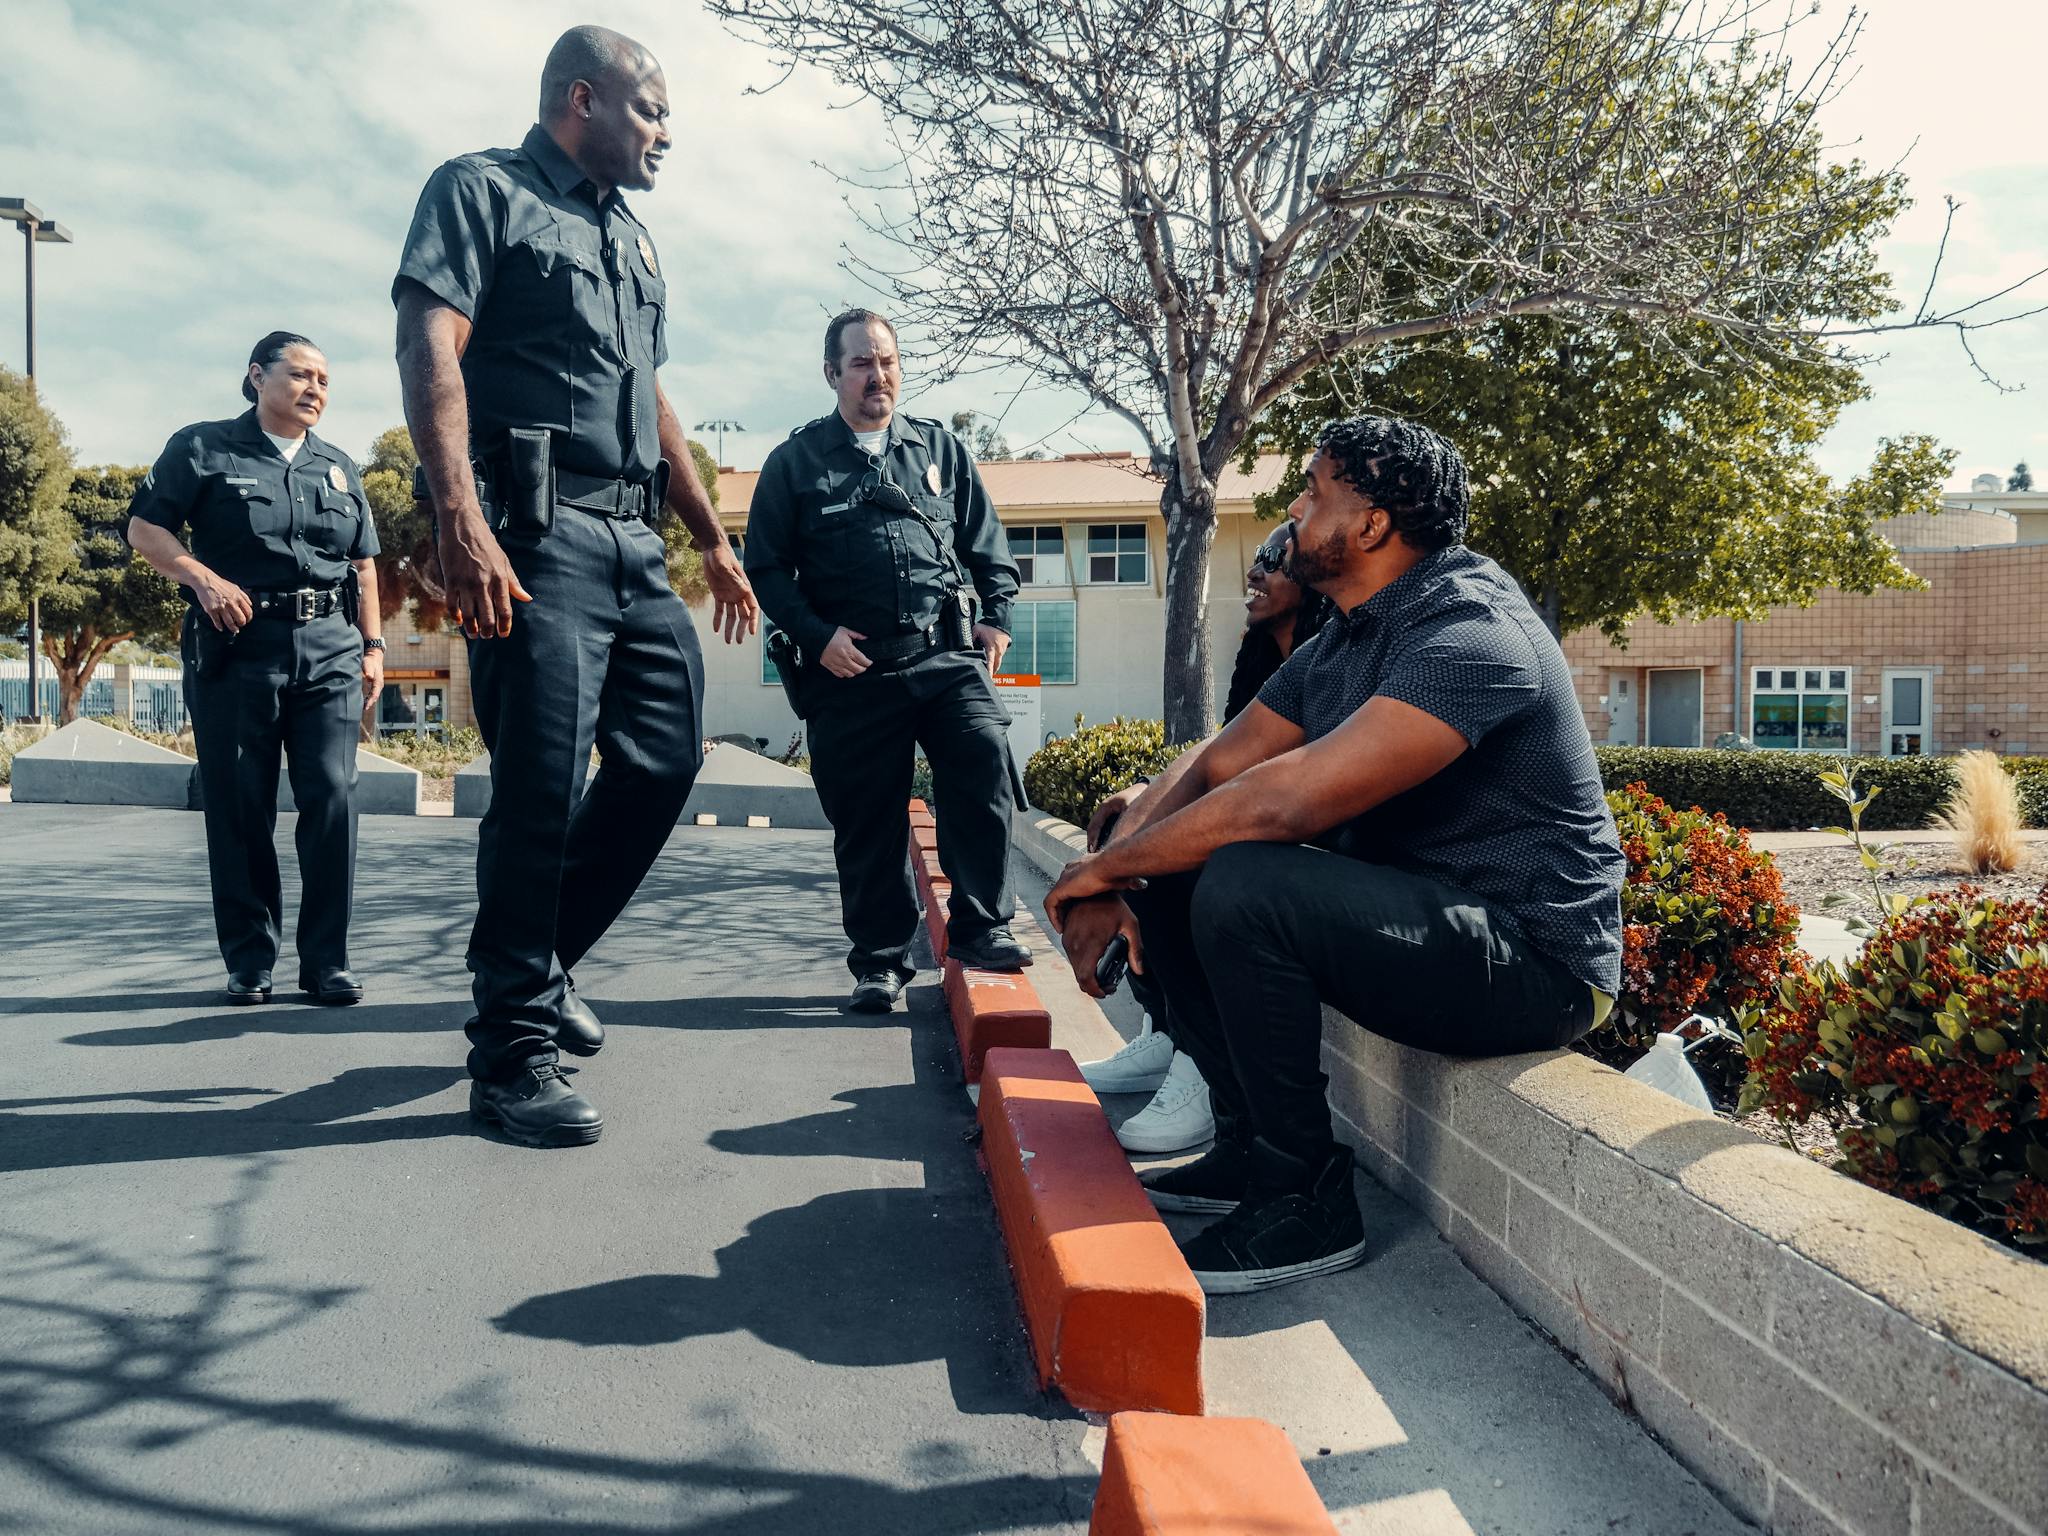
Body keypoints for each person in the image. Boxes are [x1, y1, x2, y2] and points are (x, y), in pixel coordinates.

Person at [1045, 416, 1624, 1295]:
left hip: (1536, 961)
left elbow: (1286, 799)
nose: (1294, 507)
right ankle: (1246, 1146)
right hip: (1422, 918)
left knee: (1243, 878)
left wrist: (1104, 873)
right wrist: (1125, 866)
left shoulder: (1473, 628)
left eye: (1315, 492)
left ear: (1373, 525)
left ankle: (1307, 1197)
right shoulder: (1345, 639)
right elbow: (1216, 762)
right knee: (1174, 858)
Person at [392, 25, 758, 1148]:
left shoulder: (633, 240)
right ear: (580, 99)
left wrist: (712, 536)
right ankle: (508, 1056)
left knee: (661, 755)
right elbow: (427, 341)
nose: (664, 135)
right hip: (532, 535)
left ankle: (539, 966)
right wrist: (459, 516)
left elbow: (651, 400)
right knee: (542, 789)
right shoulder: (480, 191)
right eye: (649, 112)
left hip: (632, 538)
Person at [744, 309, 1027, 1012]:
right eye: (864, 363)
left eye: (889, 361)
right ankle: (881, 961)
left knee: (983, 758)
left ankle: (982, 927)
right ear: (832, 373)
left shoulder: (939, 451)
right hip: (852, 671)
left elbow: (988, 545)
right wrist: (817, 636)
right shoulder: (796, 463)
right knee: (866, 820)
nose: (879, 375)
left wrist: (996, 618)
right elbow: (767, 568)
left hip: (943, 657)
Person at [127, 332, 384, 1007]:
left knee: (332, 797)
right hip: (238, 649)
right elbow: (145, 530)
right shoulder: (203, 447)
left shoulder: (339, 466)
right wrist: (201, 578)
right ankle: (250, 959)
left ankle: (326, 960)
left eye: (324, 380)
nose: (315, 390)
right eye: (300, 375)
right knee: (242, 807)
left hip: (330, 646)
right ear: (257, 376)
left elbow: (363, 563)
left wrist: (375, 645)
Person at [1077, 520, 1333, 1156]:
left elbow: (1285, 787)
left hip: (1318, 835)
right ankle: (1166, 1031)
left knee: (1177, 861)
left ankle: (1201, 1062)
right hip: (1273, 826)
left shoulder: (1332, 653)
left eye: (1273, 559)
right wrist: (1143, 796)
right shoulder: (1264, 659)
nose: (1255, 572)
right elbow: (1222, 755)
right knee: (1131, 829)